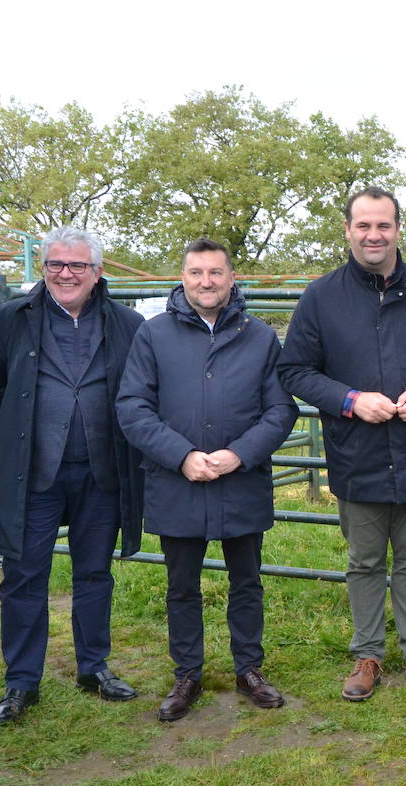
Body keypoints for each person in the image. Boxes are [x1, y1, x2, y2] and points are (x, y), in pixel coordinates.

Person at [278, 187, 406, 699]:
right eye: (363, 225)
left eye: (383, 225)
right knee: (364, 561)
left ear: (397, 229)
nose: (374, 235)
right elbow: (295, 370)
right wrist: (348, 399)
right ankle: (367, 655)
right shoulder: (321, 297)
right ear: (347, 230)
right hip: (356, 451)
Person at [116, 239, 298, 721]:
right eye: (196, 272)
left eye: (216, 273)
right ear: (183, 277)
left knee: (247, 581)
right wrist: (181, 456)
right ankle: (187, 674)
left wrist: (241, 454)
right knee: (181, 585)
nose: (206, 282)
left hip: (241, 480)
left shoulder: (259, 337)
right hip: (178, 482)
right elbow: (132, 407)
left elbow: (281, 409)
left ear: (231, 278)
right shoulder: (153, 336)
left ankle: (249, 670)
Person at [0, 227, 145, 723]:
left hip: (101, 473)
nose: (65, 274)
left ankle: (94, 667)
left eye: (77, 266)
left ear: (97, 272)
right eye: (55, 265)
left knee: (95, 573)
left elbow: (139, 387)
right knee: (24, 576)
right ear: (44, 269)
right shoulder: (10, 321)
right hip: (33, 474)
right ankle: (22, 681)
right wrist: (29, 423)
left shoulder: (125, 323)